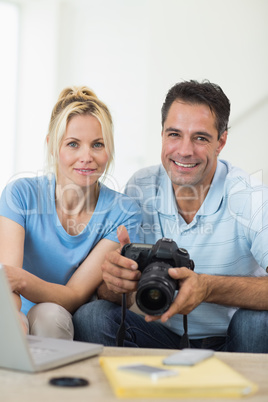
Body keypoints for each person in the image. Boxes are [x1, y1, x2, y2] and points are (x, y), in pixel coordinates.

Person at [72, 80, 268, 353]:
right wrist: (116, 283)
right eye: (174, 134)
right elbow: (113, 294)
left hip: (234, 341)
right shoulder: (141, 187)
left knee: (257, 322)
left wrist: (208, 288)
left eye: (200, 137)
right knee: (92, 316)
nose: (185, 151)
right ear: (162, 134)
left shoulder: (251, 197)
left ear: (221, 141)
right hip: (160, 335)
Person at [0, 86, 141, 339]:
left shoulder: (124, 212)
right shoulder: (20, 194)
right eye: (73, 144)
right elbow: (6, 284)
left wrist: (22, 280)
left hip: (65, 319)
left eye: (97, 144)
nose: (86, 157)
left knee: (49, 315)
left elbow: (74, 296)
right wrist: (12, 323)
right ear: (52, 146)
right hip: (17, 311)